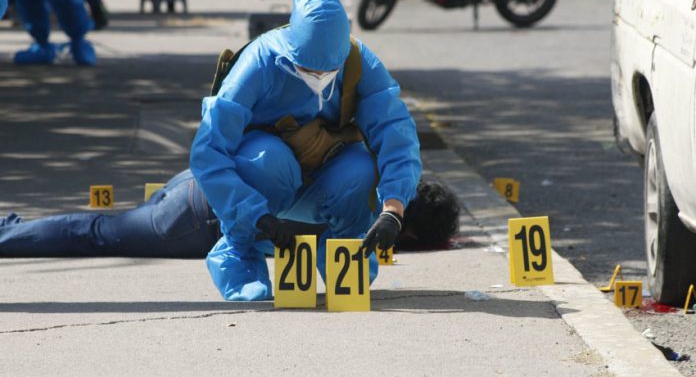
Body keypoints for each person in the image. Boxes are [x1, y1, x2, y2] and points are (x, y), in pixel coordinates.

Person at [190, 0, 422, 301]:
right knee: (266, 159)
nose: (319, 79)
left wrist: (392, 209)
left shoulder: (360, 62)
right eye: (307, 70)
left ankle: (347, 256)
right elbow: (208, 152)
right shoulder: (257, 64)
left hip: (326, 172)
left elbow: (397, 135)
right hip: (263, 180)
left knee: (362, 169)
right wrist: (255, 215)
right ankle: (239, 255)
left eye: (329, 71)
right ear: (290, 51)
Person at [0, 171, 459, 258]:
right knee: (94, 233)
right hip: (199, 221)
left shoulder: (364, 169)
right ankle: (9, 235)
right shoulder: (361, 226)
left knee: (108, 224)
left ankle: (14, 229)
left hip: (202, 182)